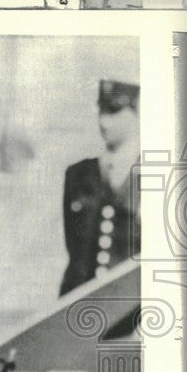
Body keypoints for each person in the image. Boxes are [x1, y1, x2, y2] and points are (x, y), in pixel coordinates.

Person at [59, 80, 141, 296]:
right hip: (80, 309)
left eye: (114, 111)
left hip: (131, 315)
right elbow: (75, 252)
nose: (103, 121)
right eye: (101, 110)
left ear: (137, 111)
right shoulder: (78, 175)